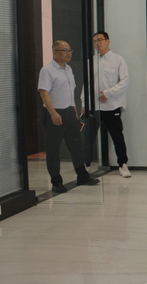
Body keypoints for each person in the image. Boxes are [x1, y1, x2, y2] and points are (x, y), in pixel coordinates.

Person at [38, 40, 100, 193]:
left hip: (69, 112)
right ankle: (56, 181)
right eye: (65, 50)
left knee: (76, 146)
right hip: (55, 113)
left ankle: (82, 175)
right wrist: (53, 113)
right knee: (53, 149)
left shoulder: (69, 69)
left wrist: (74, 109)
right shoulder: (47, 70)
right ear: (55, 52)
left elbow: (70, 92)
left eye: (69, 50)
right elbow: (44, 92)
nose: (68, 53)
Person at [82, 31, 131, 178]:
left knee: (117, 137)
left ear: (108, 41)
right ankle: (86, 165)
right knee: (88, 138)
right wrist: (84, 102)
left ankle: (123, 165)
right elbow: (86, 83)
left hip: (111, 105)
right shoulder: (91, 61)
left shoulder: (118, 60)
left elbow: (125, 81)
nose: (98, 43)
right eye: (95, 41)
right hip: (94, 106)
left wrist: (108, 93)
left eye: (100, 40)